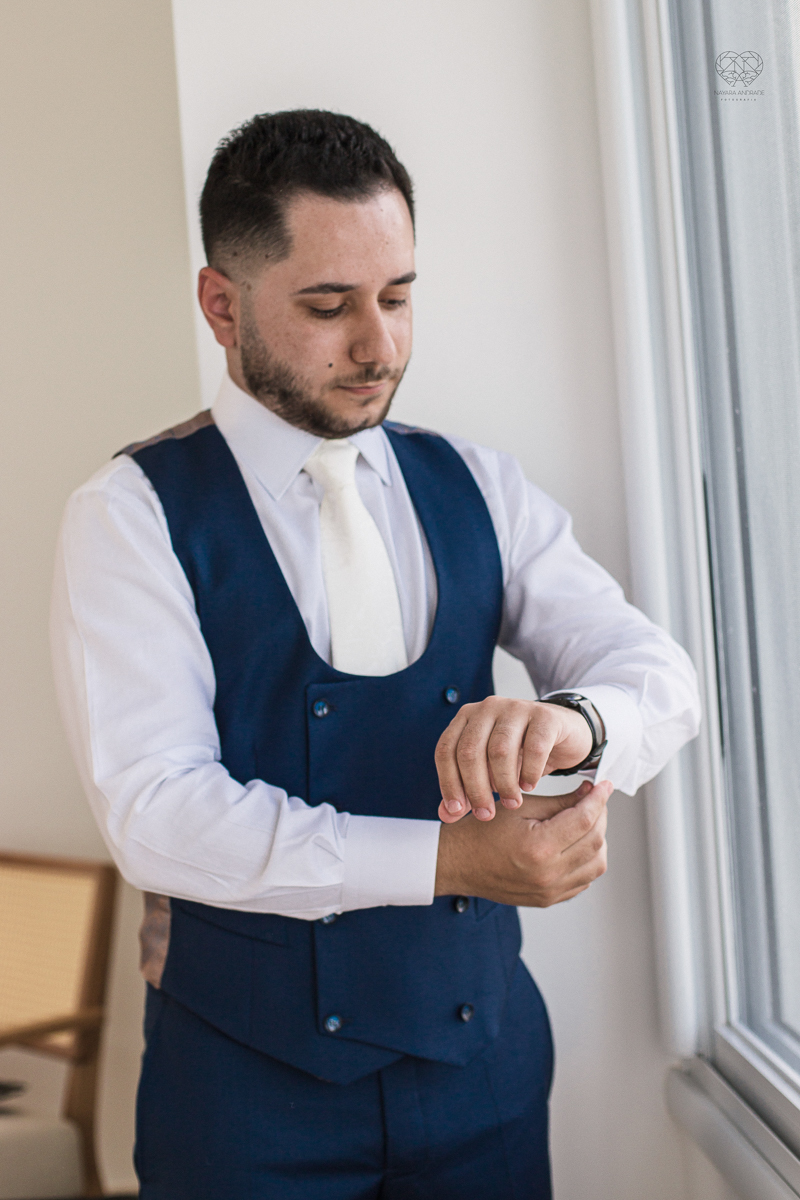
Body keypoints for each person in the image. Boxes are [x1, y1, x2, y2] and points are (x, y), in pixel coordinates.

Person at [51, 110, 700, 1199]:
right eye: (327, 305)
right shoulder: (129, 515)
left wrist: (572, 723)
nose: (379, 345)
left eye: (397, 297)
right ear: (222, 306)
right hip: (243, 1100)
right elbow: (157, 813)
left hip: (484, 1074)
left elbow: (657, 676)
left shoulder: (479, 486)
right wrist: (453, 864)